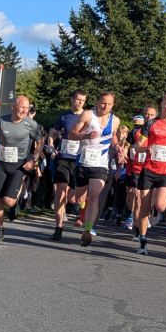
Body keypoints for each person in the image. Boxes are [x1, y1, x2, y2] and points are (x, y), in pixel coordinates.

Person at [0, 95, 43, 243]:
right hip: (2, 164)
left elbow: (40, 141)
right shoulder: (2, 121)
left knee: (8, 201)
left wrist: (34, 159)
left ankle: (16, 203)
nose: (24, 110)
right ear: (13, 107)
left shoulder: (31, 124)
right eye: (22, 107)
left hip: (18, 165)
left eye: (27, 108)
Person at [135, 92, 166, 256]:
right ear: (162, 103)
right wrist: (146, 149)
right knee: (143, 209)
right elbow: (137, 147)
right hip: (148, 170)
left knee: (161, 205)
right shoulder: (150, 123)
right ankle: (143, 241)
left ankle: (157, 211)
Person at [68, 91, 120, 247]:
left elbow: (113, 136)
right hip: (83, 162)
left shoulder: (115, 120)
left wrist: (117, 147)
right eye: (103, 103)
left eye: (109, 104)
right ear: (97, 102)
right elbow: (71, 134)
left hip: (101, 163)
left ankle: (88, 230)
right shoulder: (87, 115)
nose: (105, 106)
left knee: (95, 194)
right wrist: (86, 136)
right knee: (79, 198)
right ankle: (82, 209)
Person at [47, 89, 86, 241]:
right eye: (77, 99)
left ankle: (75, 207)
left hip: (79, 160)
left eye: (83, 100)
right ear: (72, 99)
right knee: (60, 192)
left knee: (74, 198)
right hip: (63, 157)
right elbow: (52, 134)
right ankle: (58, 228)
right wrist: (50, 145)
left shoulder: (88, 117)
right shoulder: (64, 117)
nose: (80, 102)